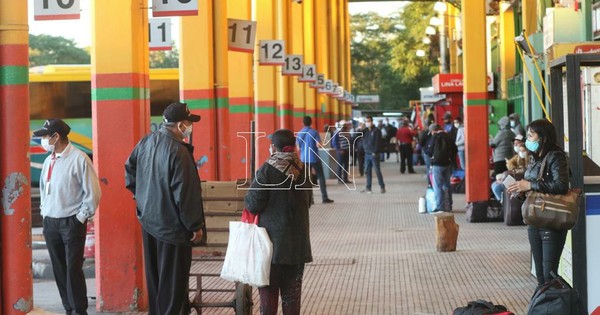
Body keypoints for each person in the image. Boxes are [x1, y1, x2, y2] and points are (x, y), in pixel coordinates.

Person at [125, 102, 206, 315]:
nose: (190, 127)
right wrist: (195, 226)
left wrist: (140, 195)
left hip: (149, 223)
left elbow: (129, 169)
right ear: (180, 125)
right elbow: (185, 194)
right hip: (173, 228)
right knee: (173, 287)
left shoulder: (146, 142)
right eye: (189, 123)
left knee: (156, 281)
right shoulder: (179, 152)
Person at [34, 119, 101, 315]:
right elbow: (44, 191)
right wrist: (44, 213)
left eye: (46, 136)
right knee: (60, 270)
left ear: (56, 137)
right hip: (51, 223)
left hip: (71, 222)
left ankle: (79, 310)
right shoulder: (48, 160)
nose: (44, 140)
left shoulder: (79, 159)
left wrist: (79, 218)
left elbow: (93, 193)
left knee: (73, 269)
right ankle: (68, 309)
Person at [245, 129, 313, 315]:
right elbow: (309, 201)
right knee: (292, 297)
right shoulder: (303, 168)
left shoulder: (267, 169)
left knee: (268, 294)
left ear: (274, 147)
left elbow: (253, 203)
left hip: (270, 245)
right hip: (297, 244)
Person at [506, 119, 570, 289]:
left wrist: (529, 185)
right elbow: (532, 188)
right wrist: (520, 191)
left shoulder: (556, 156)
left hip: (550, 220)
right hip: (534, 220)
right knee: (540, 275)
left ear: (543, 137)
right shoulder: (534, 158)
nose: (528, 139)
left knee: (550, 274)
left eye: (531, 135)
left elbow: (561, 185)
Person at [297, 116, 334, 203]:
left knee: (306, 179)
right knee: (321, 177)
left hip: (304, 159)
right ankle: (324, 198)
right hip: (314, 158)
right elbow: (318, 145)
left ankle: (310, 199)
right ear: (311, 123)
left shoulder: (299, 133)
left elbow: (298, 148)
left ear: (302, 123)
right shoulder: (314, 132)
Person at [427, 123, 458, 212]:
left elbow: (430, 151)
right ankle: (449, 205)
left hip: (437, 165)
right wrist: (450, 158)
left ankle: (440, 206)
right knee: (447, 185)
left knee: (438, 186)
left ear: (433, 131)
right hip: (447, 164)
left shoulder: (435, 137)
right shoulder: (448, 136)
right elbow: (455, 149)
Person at [361, 115, 386, 193]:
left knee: (377, 170)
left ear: (372, 121)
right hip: (367, 153)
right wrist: (360, 129)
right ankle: (368, 187)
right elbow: (356, 136)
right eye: (366, 121)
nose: (367, 123)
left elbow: (378, 142)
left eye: (368, 121)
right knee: (367, 171)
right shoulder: (365, 130)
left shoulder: (376, 131)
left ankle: (382, 186)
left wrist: (375, 152)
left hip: (374, 154)